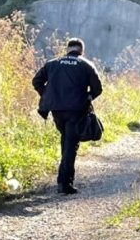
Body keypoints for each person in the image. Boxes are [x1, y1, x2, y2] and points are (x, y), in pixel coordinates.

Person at [32, 38, 103, 195]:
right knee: (70, 144)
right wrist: (88, 98)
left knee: (66, 140)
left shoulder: (52, 63)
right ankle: (64, 183)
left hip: (56, 110)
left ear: (67, 49)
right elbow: (97, 88)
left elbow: (36, 81)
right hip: (76, 110)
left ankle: (63, 178)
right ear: (81, 51)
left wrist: (48, 95)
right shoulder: (86, 64)